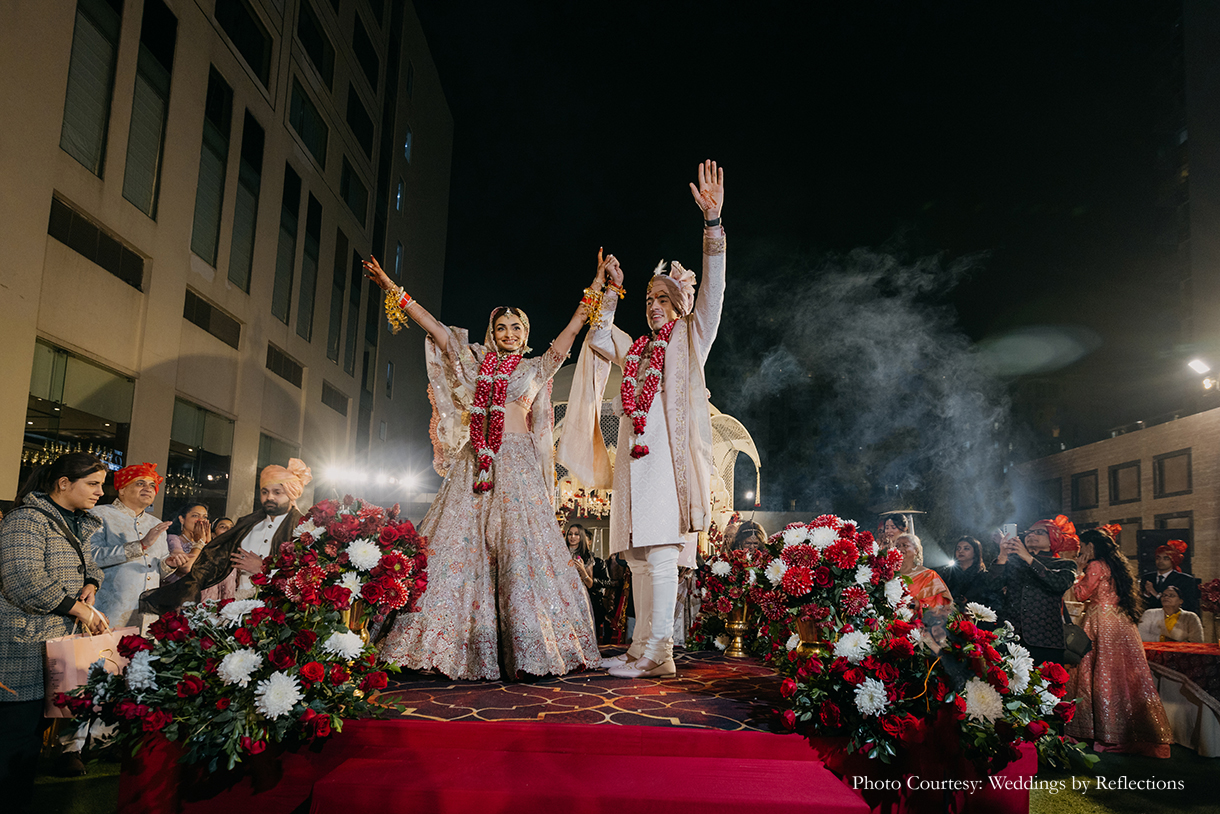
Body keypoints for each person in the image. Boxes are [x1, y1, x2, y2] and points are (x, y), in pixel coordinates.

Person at [366, 256, 599, 681]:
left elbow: (569, 335)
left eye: (517, 329)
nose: (508, 334)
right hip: (476, 463)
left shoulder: (535, 368)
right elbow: (437, 330)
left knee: (521, 551)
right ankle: (444, 645)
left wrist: (598, 286)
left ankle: (529, 650)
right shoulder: (472, 365)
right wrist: (392, 289)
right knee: (457, 547)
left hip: (519, 465)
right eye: (501, 328)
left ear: (526, 336)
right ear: (491, 334)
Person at [560, 160, 727, 679]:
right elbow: (600, 337)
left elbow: (714, 294)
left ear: (680, 303)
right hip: (634, 466)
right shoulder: (636, 352)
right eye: (650, 299)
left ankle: (660, 649)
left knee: (660, 552)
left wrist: (713, 225)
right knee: (635, 555)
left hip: (667, 466)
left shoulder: (688, 340)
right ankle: (642, 649)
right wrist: (612, 290)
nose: (655, 307)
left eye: (664, 299)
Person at [0, 453, 110, 808]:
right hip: (22, 642)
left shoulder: (77, 522)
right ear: (64, 483)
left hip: (57, 643)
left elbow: (88, 563)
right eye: (92, 484)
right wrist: (79, 609)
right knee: (14, 738)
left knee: (33, 737)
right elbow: (23, 581)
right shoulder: (26, 521)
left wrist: (91, 583)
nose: (99, 492)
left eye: (101, 484)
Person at [141, 460, 310, 612]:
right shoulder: (247, 525)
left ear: (291, 493)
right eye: (265, 492)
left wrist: (263, 569)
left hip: (279, 610)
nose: (269, 497)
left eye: (277, 492)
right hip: (237, 608)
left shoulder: (304, 531)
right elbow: (210, 564)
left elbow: (309, 578)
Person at [1066, 526, 1172, 758]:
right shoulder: (1115, 565)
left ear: (1091, 546)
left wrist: (1077, 570)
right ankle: (1129, 731)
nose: (1081, 550)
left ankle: (1105, 733)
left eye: (1083, 546)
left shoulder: (1094, 566)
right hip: (1121, 623)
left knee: (1101, 674)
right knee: (1123, 676)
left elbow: (1081, 594)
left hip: (1100, 623)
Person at [89, 463, 182, 630]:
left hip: (148, 612)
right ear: (122, 489)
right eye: (140, 483)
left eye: (152, 485)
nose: (148, 488)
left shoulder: (156, 524)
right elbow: (90, 557)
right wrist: (140, 546)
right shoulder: (99, 515)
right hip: (109, 610)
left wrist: (168, 564)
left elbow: (159, 570)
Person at [994, 515, 1079, 666]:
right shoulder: (1013, 562)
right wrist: (1002, 555)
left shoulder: (1065, 564)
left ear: (1053, 538)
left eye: (1039, 532)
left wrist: (1027, 557)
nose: (1031, 535)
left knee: (1044, 688)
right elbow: (991, 586)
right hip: (1009, 638)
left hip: (1045, 641)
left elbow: (1058, 584)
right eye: (1028, 532)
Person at [565, 523, 609, 640]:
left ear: (581, 537)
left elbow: (590, 584)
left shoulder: (586, 556)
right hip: (563, 593)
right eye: (570, 534)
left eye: (576, 534)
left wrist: (583, 571)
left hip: (579, 594)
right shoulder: (561, 554)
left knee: (580, 626)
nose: (572, 537)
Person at [938, 536, 1003, 613]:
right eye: (958, 548)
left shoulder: (983, 576)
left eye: (966, 548)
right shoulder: (947, 573)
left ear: (975, 552)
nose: (961, 551)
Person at [895, 533, 953, 611]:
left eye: (905, 545)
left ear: (916, 550)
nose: (900, 549)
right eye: (897, 546)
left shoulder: (929, 575)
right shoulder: (890, 575)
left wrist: (914, 604)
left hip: (919, 620)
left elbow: (938, 603)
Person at [1141, 539, 1200, 614]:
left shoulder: (1185, 580)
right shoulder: (1147, 578)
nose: (1161, 561)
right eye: (1158, 558)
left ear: (1174, 560)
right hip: (1151, 620)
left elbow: (1189, 606)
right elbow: (1141, 604)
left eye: (1166, 558)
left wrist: (1156, 594)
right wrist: (1147, 594)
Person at [164, 502, 211, 584]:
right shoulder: (173, 539)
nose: (201, 520)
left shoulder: (207, 539)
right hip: (180, 590)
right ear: (182, 519)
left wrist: (209, 543)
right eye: (195, 515)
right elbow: (186, 567)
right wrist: (200, 543)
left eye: (205, 517)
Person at [1138, 585, 1204, 643]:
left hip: (1182, 655)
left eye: (1171, 595)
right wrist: (1162, 639)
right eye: (1164, 595)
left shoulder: (1191, 617)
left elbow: (1197, 640)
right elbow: (1140, 635)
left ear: (1181, 601)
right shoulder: (1150, 613)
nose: (1166, 597)